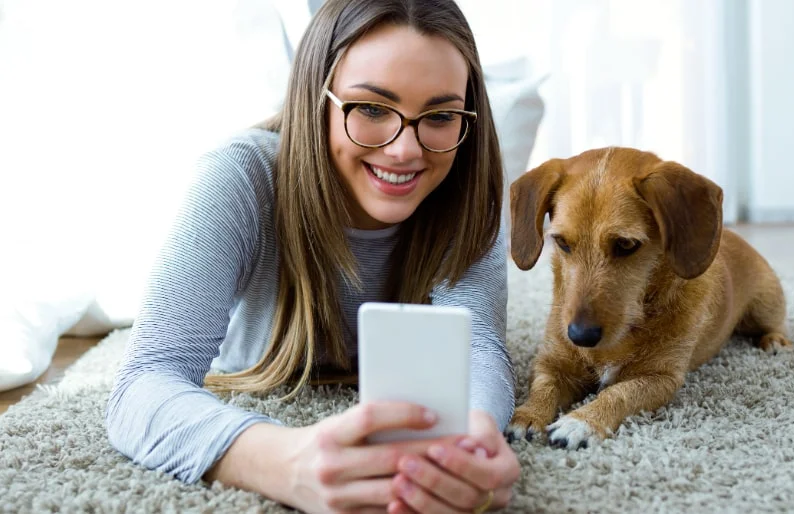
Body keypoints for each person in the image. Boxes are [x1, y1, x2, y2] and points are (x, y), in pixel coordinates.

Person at [104, 0, 521, 512]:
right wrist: (285, 462)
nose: (404, 150)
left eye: (438, 116)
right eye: (370, 108)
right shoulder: (239, 176)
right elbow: (144, 381)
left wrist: (473, 438)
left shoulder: (469, 188)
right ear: (315, 98)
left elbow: (479, 348)